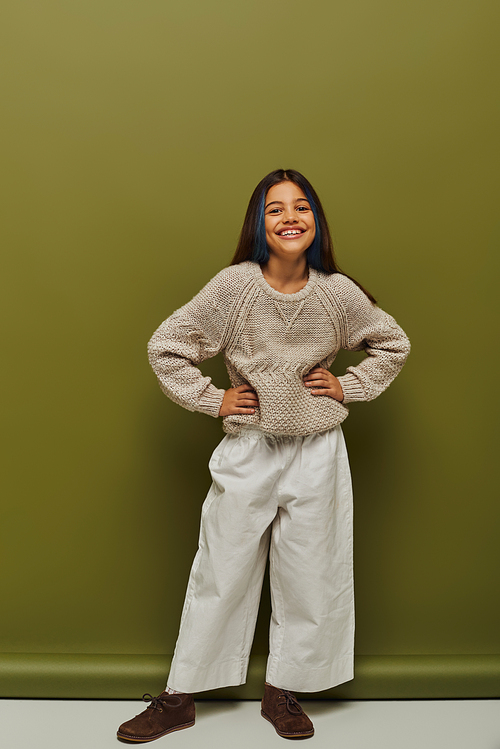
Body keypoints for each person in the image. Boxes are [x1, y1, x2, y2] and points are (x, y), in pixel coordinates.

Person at [117, 168, 410, 742]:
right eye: (275, 209)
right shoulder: (235, 287)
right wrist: (214, 398)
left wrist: (349, 385)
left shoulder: (337, 292)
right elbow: (167, 346)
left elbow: (392, 342)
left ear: (316, 221)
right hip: (249, 447)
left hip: (317, 448)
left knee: (312, 572)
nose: (290, 218)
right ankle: (179, 697)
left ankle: (284, 691)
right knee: (221, 568)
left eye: (302, 207)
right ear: (259, 224)